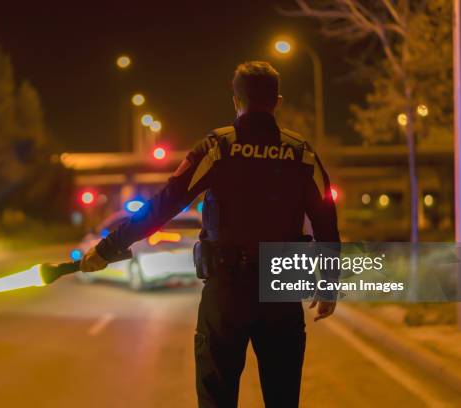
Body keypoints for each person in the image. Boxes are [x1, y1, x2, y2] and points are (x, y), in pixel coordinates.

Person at [80, 61, 340, 407]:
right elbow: (326, 219)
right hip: (280, 293)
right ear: (277, 101)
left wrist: (108, 248)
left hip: (227, 291)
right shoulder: (301, 153)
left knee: (217, 397)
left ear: (236, 101)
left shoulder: (217, 148)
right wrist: (328, 284)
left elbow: (161, 207)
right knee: (282, 396)